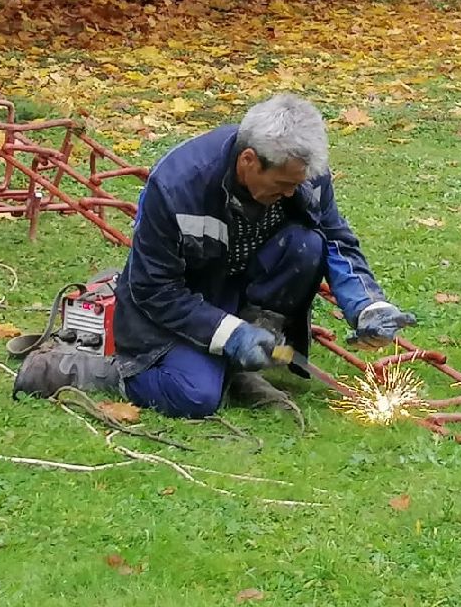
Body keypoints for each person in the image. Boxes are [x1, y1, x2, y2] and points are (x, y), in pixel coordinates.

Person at [111, 93, 416, 419]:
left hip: (243, 279)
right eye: (282, 184)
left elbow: (334, 239)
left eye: (296, 184)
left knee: (306, 244)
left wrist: (368, 305)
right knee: (194, 397)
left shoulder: (303, 176)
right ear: (248, 160)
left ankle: (247, 356)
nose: (290, 193)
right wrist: (229, 333)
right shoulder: (177, 185)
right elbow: (154, 288)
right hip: (182, 300)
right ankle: (96, 371)